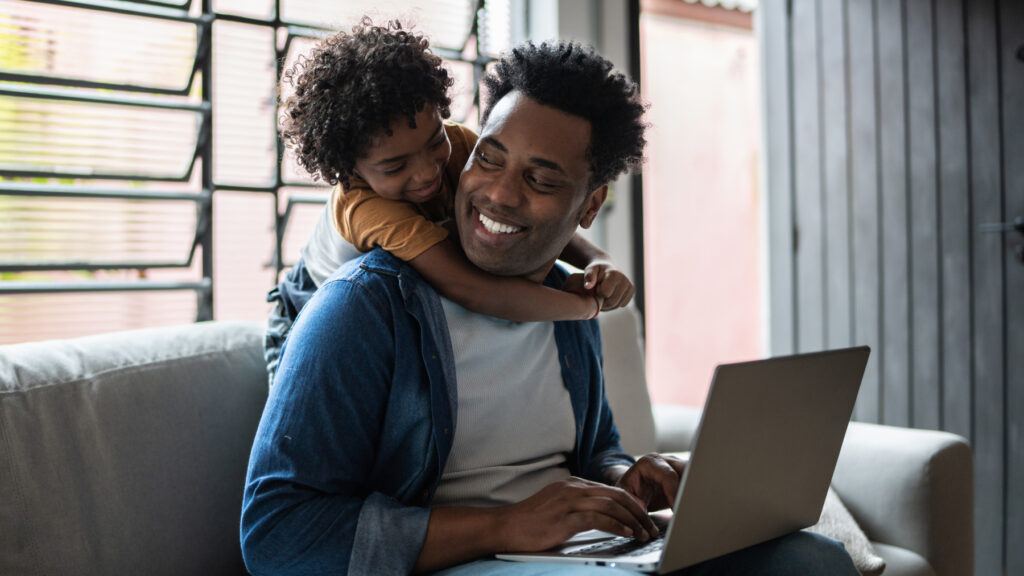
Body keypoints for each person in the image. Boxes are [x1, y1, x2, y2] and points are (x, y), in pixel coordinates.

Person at [241, 40, 860, 576]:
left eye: (541, 180)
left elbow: (596, 449)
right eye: (489, 157)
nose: (499, 194)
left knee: (814, 562)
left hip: (579, 554)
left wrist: (624, 479)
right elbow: (277, 534)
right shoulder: (364, 310)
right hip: (467, 559)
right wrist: (504, 527)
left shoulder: (565, 302)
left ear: (588, 208)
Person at [264, 19, 634, 386]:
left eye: (434, 141)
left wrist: (597, 260)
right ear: (351, 169)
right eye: (395, 166)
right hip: (303, 307)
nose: (427, 172)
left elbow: (513, 211)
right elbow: (469, 289)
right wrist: (584, 307)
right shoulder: (365, 207)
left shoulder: (462, 147)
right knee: (311, 394)